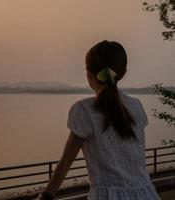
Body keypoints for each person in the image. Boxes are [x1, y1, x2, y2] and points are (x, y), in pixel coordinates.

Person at [35, 40, 161, 200]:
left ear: (89, 74)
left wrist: (46, 196)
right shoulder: (136, 106)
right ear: (123, 72)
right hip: (146, 194)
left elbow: (65, 162)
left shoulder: (84, 110)